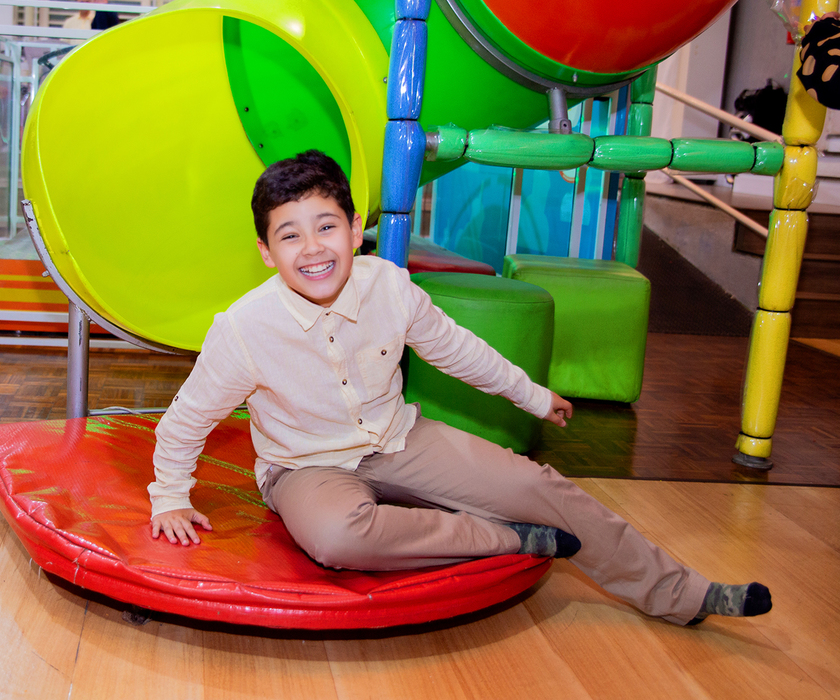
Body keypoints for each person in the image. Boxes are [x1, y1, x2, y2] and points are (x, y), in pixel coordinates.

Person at [149, 150, 772, 627]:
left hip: (399, 439)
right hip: (305, 468)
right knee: (337, 537)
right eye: (289, 236)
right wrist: (169, 497)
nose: (312, 249)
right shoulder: (245, 329)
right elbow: (186, 420)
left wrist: (533, 394)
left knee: (538, 484)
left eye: (325, 227)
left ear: (354, 226)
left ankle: (683, 594)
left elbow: (457, 350)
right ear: (265, 252)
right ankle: (506, 538)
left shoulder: (389, 286)